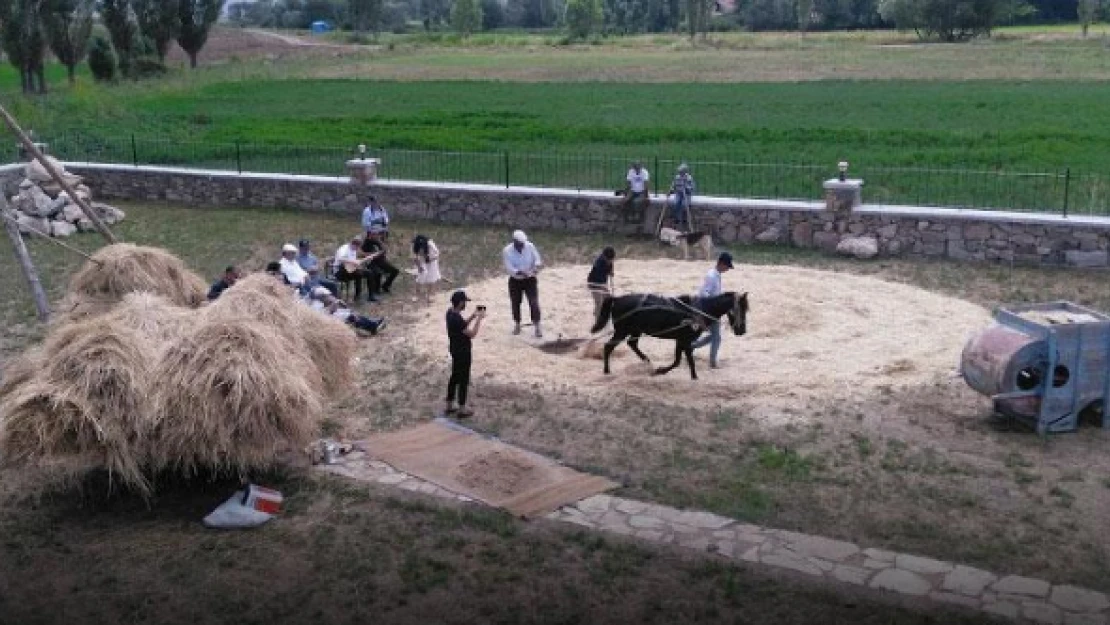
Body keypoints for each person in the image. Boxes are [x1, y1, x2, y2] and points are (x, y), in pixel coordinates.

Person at [445, 289, 485, 418]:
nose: (465, 304)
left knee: (455, 376)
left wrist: (473, 316)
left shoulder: (450, 313)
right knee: (463, 379)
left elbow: (462, 325)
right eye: (465, 302)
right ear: (461, 303)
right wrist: (479, 319)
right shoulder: (456, 318)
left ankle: (449, 404)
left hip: (454, 349)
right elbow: (472, 334)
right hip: (463, 352)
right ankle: (462, 408)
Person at [690, 252, 734, 369]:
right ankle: (712, 362)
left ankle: (691, 346)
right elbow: (704, 293)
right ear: (720, 263)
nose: (728, 269)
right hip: (707, 310)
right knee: (716, 337)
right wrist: (715, 302)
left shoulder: (717, 274)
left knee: (715, 337)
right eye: (727, 266)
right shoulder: (711, 276)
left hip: (713, 310)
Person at [502, 229, 543, 337]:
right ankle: (517, 324)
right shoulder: (507, 251)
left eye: (522, 244)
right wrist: (520, 272)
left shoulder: (529, 246)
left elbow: (537, 259)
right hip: (516, 281)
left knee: (533, 302)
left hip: (530, 279)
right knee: (515, 303)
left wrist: (535, 268)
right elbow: (509, 268)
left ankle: (537, 325)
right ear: (514, 242)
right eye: (519, 244)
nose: (521, 246)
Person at [308, 287, 388, 335]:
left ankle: (372, 324)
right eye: (326, 296)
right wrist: (334, 304)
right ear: (320, 296)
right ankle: (373, 327)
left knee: (350, 313)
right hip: (327, 322)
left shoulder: (320, 300)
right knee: (350, 316)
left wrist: (338, 302)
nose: (329, 296)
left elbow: (330, 304)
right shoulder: (316, 305)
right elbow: (325, 316)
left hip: (330, 316)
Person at [334, 235, 379, 303]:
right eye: (357, 247)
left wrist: (365, 260)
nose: (357, 249)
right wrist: (353, 262)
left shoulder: (354, 249)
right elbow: (340, 259)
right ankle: (358, 295)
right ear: (353, 244)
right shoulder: (344, 249)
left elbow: (353, 264)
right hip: (339, 271)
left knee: (369, 273)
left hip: (350, 270)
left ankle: (370, 295)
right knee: (359, 273)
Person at [361, 230, 399, 295]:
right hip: (371, 263)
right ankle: (376, 290)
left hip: (381, 261)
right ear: (370, 235)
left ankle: (385, 286)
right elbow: (364, 255)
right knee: (378, 272)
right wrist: (377, 253)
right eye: (375, 234)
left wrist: (381, 244)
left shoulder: (376, 241)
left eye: (376, 234)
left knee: (395, 271)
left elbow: (383, 250)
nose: (377, 236)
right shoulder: (366, 243)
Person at [586, 247, 615, 322]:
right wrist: (608, 271)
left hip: (602, 284)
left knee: (609, 299)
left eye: (611, 259)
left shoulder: (609, 260)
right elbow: (599, 274)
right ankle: (598, 320)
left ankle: (597, 313)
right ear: (605, 257)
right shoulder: (599, 262)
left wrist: (611, 272)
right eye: (609, 260)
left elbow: (610, 268)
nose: (610, 261)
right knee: (599, 303)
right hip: (594, 284)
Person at [412, 234, 441, 303]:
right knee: (421, 276)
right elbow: (415, 257)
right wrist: (419, 267)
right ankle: (417, 295)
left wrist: (430, 259)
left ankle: (429, 296)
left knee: (431, 277)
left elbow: (437, 254)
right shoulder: (415, 245)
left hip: (432, 260)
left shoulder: (430, 243)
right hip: (422, 260)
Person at [666, 164, 695, 229]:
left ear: (684, 171)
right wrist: (671, 191)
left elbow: (692, 188)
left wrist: (686, 188)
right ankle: (677, 219)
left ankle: (684, 220)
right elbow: (673, 186)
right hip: (679, 193)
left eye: (681, 172)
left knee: (684, 205)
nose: (680, 173)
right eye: (679, 172)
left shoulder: (689, 178)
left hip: (686, 194)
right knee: (676, 203)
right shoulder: (677, 177)